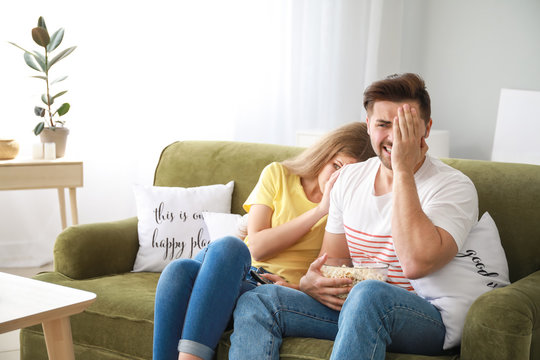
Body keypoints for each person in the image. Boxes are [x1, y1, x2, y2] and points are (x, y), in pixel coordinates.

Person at [229, 73, 479, 359]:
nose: (394, 137)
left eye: (406, 127)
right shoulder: (349, 179)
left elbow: (415, 263)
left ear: (427, 128)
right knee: (259, 300)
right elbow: (334, 261)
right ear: (369, 126)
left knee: (369, 294)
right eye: (384, 125)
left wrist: (403, 171)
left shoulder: (454, 186)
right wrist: (312, 283)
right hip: (359, 306)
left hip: (426, 319)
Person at [152, 122, 376, 360]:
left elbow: (324, 275)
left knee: (179, 270)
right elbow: (258, 246)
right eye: (336, 166)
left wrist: (297, 287)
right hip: (237, 271)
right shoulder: (278, 174)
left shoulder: (346, 210)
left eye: (348, 175)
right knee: (222, 251)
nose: (337, 180)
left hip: (272, 289)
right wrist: (320, 210)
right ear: (325, 154)